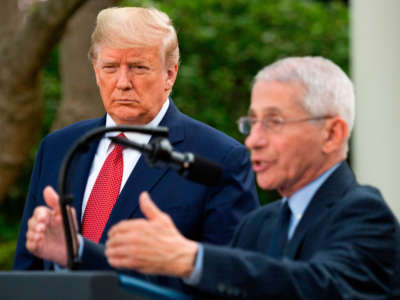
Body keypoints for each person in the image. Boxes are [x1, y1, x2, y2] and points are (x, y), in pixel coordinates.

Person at [100, 57, 399, 299]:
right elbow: (198, 288)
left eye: (273, 122)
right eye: (252, 123)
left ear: (332, 134)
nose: (253, 141)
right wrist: (76, 249)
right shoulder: (258, 225)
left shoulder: (365, 214)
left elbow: (317, 287)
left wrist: (193, 258)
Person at [13, 6, 259, 287]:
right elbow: (27, 270)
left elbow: (231, 282)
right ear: (95, 71)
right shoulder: (59, 148)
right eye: (110, 67)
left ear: (170, 74)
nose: (122, 83)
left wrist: (81, 252)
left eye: (138, 68)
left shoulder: (219, 158)